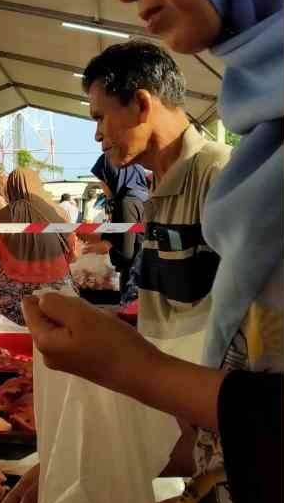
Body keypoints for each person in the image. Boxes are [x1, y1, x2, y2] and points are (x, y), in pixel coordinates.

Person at [0, 0, 283, 503]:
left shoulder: (226, 180)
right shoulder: (179, 187)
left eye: (100, 116)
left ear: (142, 104)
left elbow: (257, 383)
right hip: (211, 459)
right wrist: (92, 462)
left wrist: (131, 375)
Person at [85, 40, 232, 363]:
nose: (97, 134)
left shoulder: (219, 176)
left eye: (100, 117)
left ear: (141, 104)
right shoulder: (158, 187)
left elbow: (249, 325)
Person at [0, 168, 77, 328]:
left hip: (11, 299)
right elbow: (72, 254)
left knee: (6, 341)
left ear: (10, 189)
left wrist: (15, 275)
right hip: (57, 294)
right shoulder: (59, 213)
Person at [91, 152, 150, 294]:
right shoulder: (145, 198)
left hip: (133, 281)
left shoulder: (126, 202)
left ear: (112, 176)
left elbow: (126, 253)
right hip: (147, 276)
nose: (102, 187)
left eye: (102, 180)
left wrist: (108, 247)